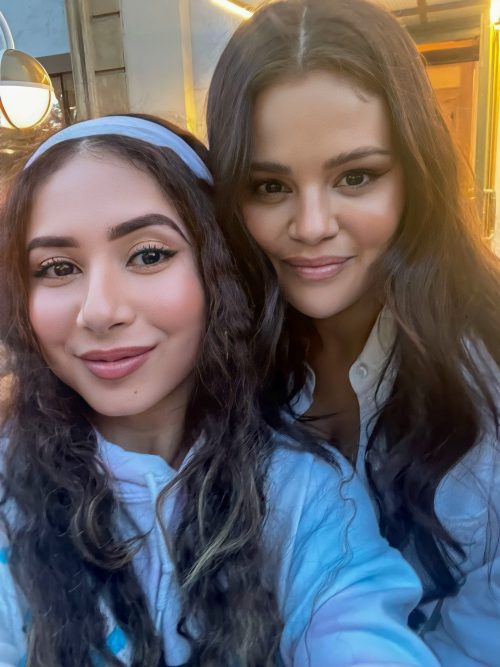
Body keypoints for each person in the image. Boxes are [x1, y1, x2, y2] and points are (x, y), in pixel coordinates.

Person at [0, 115, 440, 667]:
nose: (100, 311)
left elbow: (358, 630)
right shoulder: (8, 494)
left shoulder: (303, 494)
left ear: (218, 269)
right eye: (57, 267)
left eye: (149, 254)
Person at [206, 1, 500, 665]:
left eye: (356, 176)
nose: (312, 224)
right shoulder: (213, 358)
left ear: (416, 175)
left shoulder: (488, 366)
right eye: (269, 185)